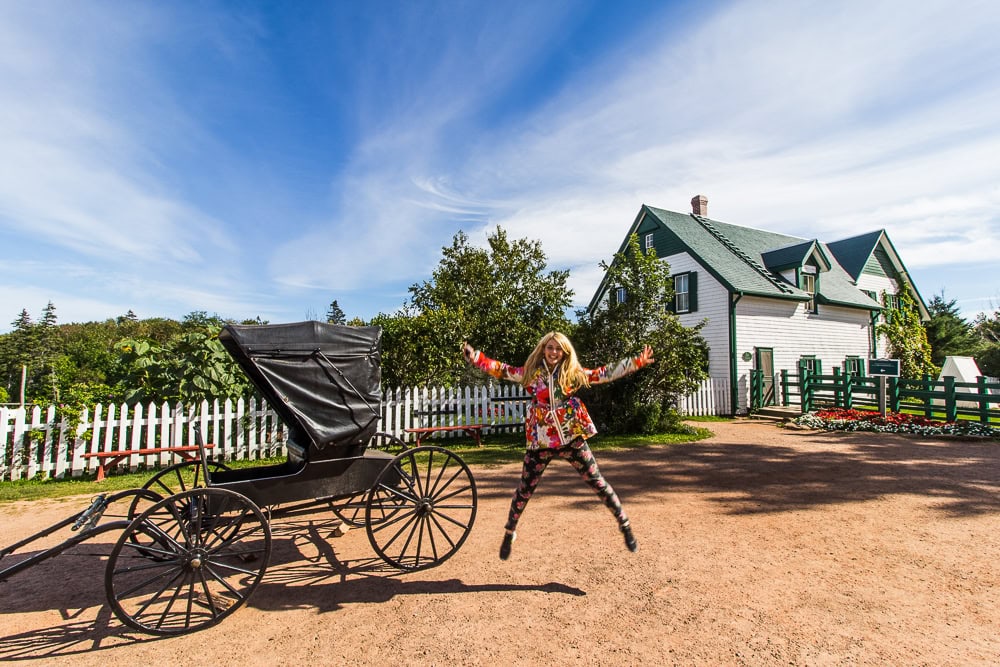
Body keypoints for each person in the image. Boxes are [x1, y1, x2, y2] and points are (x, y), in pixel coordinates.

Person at [462, 332, 655, 560]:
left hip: (570, 436)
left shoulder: (572, 374)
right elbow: (501, 369)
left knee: (597, 481)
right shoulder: (531, 374)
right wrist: (476, 357)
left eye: (558, 349)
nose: (553, 352)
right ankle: (510, 531)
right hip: (541, 440)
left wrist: (635, 362)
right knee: (525, 489)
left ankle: (625, 524)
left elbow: (603, 374)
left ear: (564, 352)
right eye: (550, 348)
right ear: (543, 349)